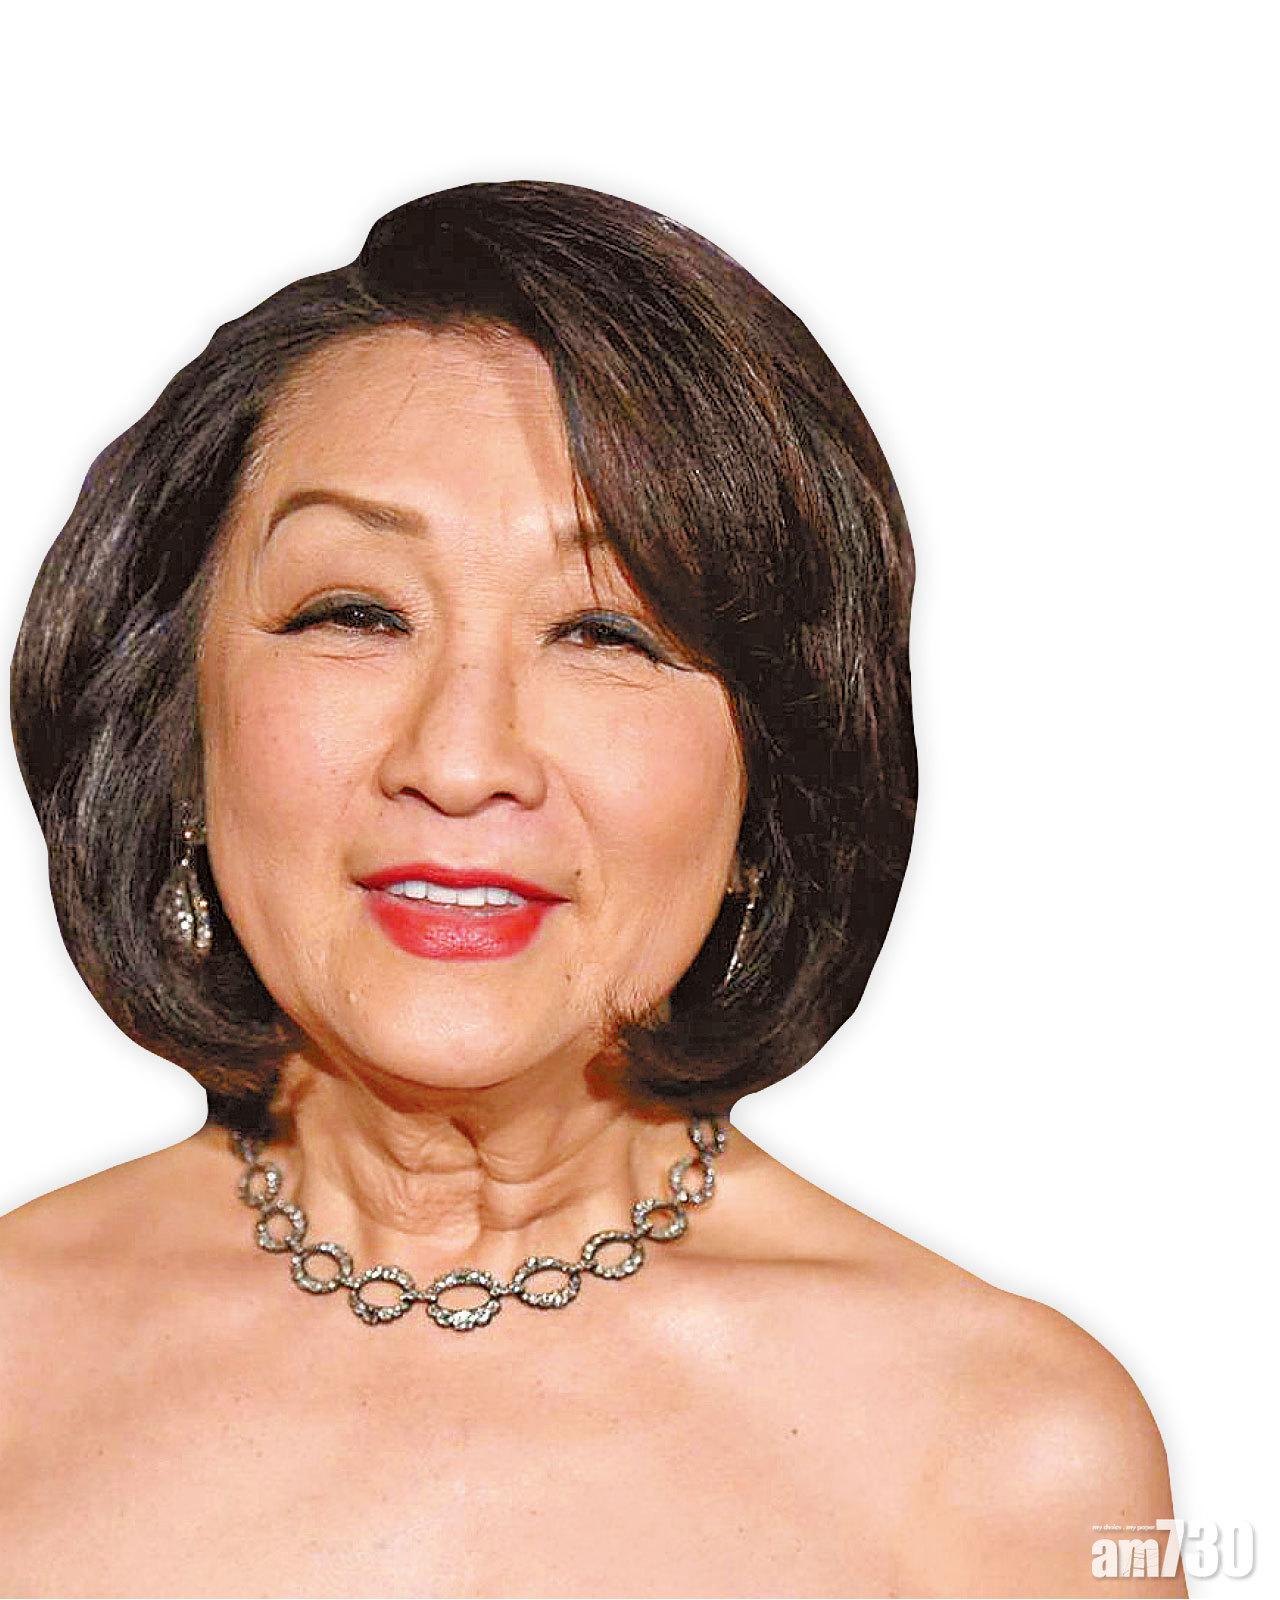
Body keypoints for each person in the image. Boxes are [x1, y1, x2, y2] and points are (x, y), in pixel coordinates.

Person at [1, 180, 1180, 1597]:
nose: (460, 761)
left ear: (774, 788)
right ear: (175, 731)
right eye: (356, 612)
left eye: (607, 634)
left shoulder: (1010, 1459)